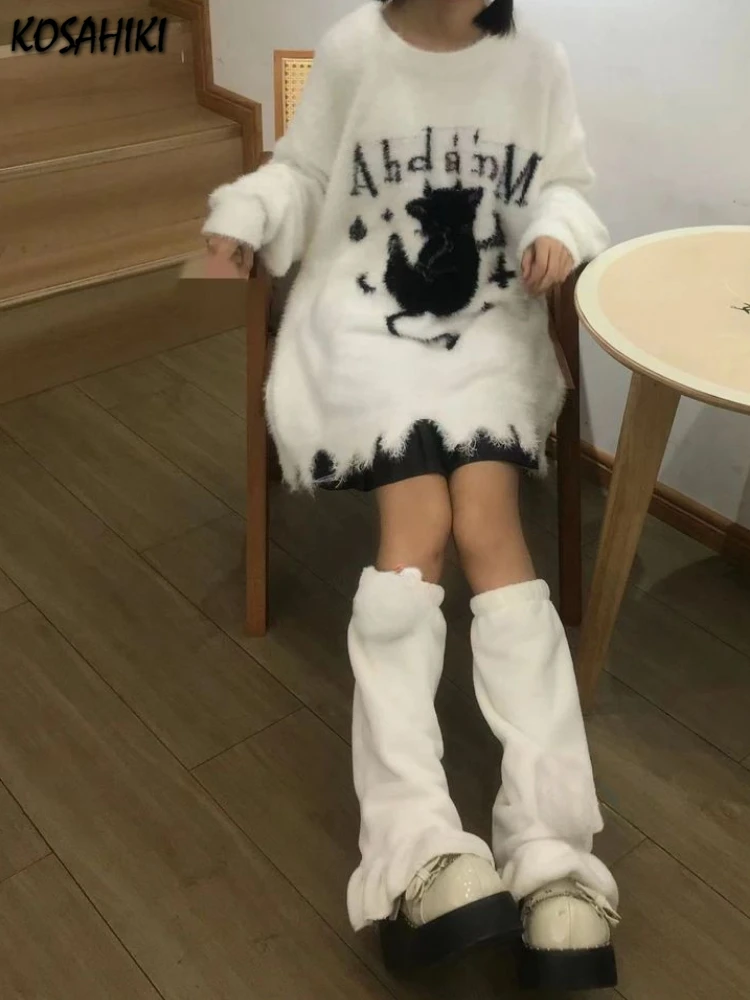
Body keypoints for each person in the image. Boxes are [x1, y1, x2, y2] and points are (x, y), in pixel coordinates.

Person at [200, 0, 620, 990]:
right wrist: (248, 212)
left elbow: (568, 186)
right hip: (368, 329)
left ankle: (555, 847)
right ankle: (413, 843)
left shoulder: (536, 63)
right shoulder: (353, 50)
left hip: (488, 330)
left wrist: (557, 229)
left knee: (488, 528)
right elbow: (305, 176)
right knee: (418, 529)